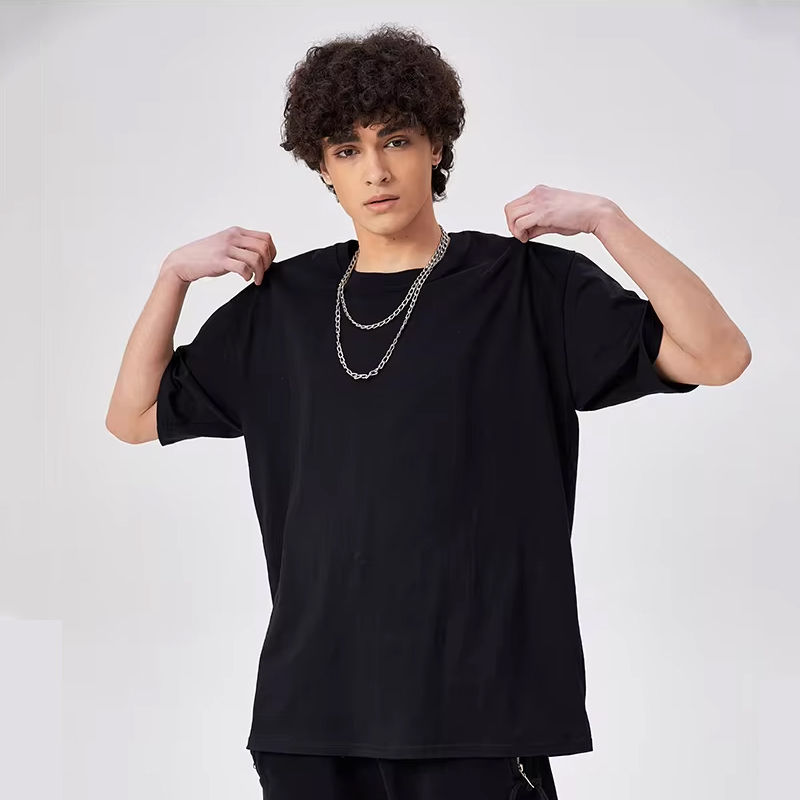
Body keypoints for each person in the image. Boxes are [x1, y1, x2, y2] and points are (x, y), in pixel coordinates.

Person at [105, 24, 751, 800]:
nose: (375, 170)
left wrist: (607, 220)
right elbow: (133, 416)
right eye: (347, 149)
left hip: (477, 714)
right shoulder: (281, 308)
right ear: (323, 167)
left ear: (436, 146)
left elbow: (718, 355)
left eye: (397, 140)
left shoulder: (526, 289)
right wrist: (172, 277)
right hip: (312, 717)